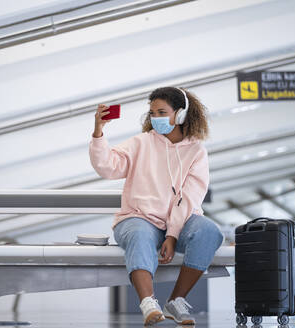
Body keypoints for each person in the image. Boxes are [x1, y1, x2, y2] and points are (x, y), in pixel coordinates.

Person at [89, 86, 224, 326]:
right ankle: (148, 303)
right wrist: (99, 132)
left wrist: (172, 235)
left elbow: (189, 197)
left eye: (162, 112)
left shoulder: (196, 151)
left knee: (208, 232)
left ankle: (176, 301)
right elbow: (107, 167)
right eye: (152, 113)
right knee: (140, 234)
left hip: (180, 222)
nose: (156, 118)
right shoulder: (141, 143)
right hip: (138, 218)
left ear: (180, 114)